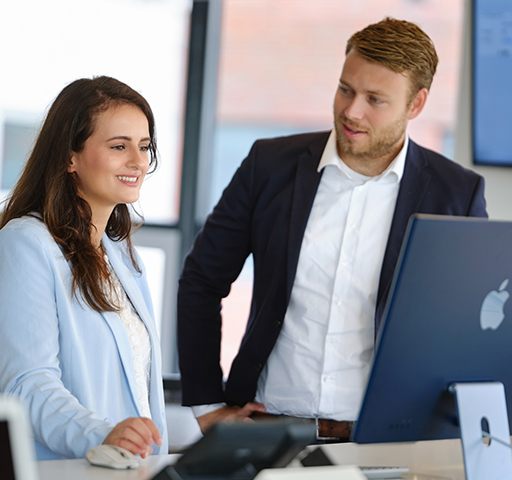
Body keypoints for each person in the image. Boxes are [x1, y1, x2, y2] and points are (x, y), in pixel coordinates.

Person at [177, 17, 488, 440]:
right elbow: (201, 279)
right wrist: (207, 404)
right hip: (268, 432)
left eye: (375, 99)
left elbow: (469, 325)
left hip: (386, 443)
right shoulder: (269, 165)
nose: (351, 111)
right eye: (346, 89)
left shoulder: (457, 195)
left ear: (416, 105)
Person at [0, 76, 167, 460]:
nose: (138, 161)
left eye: (144, 146)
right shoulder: (24, 246)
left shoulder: (123, 257)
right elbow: (29, 386)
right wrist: (102, 435)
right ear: (69, 157)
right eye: (119, 146)